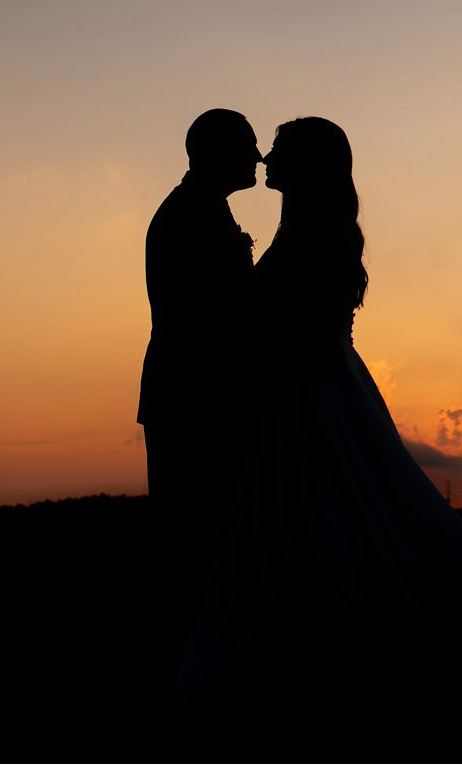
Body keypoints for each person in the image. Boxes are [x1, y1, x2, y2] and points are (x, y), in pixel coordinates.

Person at [176, 116, 462, 715]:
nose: (266, 157)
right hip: (310, 390)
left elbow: (300, 328)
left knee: (322, 520)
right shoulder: (307, 228)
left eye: (281, 150)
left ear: (310, 165)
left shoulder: (314, 234)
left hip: (309, 396)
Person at [137, 108, 264, 691]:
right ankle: (187, 670)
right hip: (193, 397)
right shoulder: (190, 216)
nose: (259, 158)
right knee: (192, 538)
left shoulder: (203, 208)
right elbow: (213, 317)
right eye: (248, 147)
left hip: (195, 393)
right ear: (217, 153)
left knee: (205, 536)